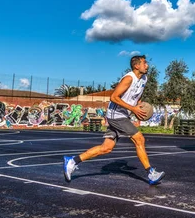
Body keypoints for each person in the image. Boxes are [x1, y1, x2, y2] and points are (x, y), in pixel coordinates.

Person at [63, 55, 165, 185]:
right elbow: (114, 97)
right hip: (116, 115)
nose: (147, 65)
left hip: (122, 115)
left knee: (106, 148)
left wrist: (138, 106)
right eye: (144, 63)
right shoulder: (128, 79)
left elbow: (136, 95)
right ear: (136, 65)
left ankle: (72, 161)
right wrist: (133, 109)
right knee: (139, 139)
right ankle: (151, 173)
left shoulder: (144, 78)